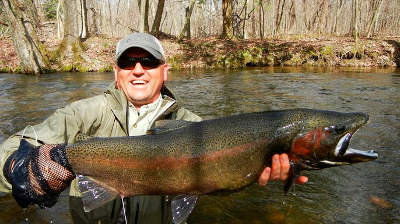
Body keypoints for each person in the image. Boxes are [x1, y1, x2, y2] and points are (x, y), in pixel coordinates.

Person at [0, 32, 307, 223]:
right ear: (116, 72)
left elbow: (217, 184)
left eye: (148, 61)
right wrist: (19, 167)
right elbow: (13, 147)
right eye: (128, 62)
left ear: (165, 70)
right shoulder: (82, 114)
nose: (138, 70)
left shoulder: (197, 128)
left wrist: (249, 170)